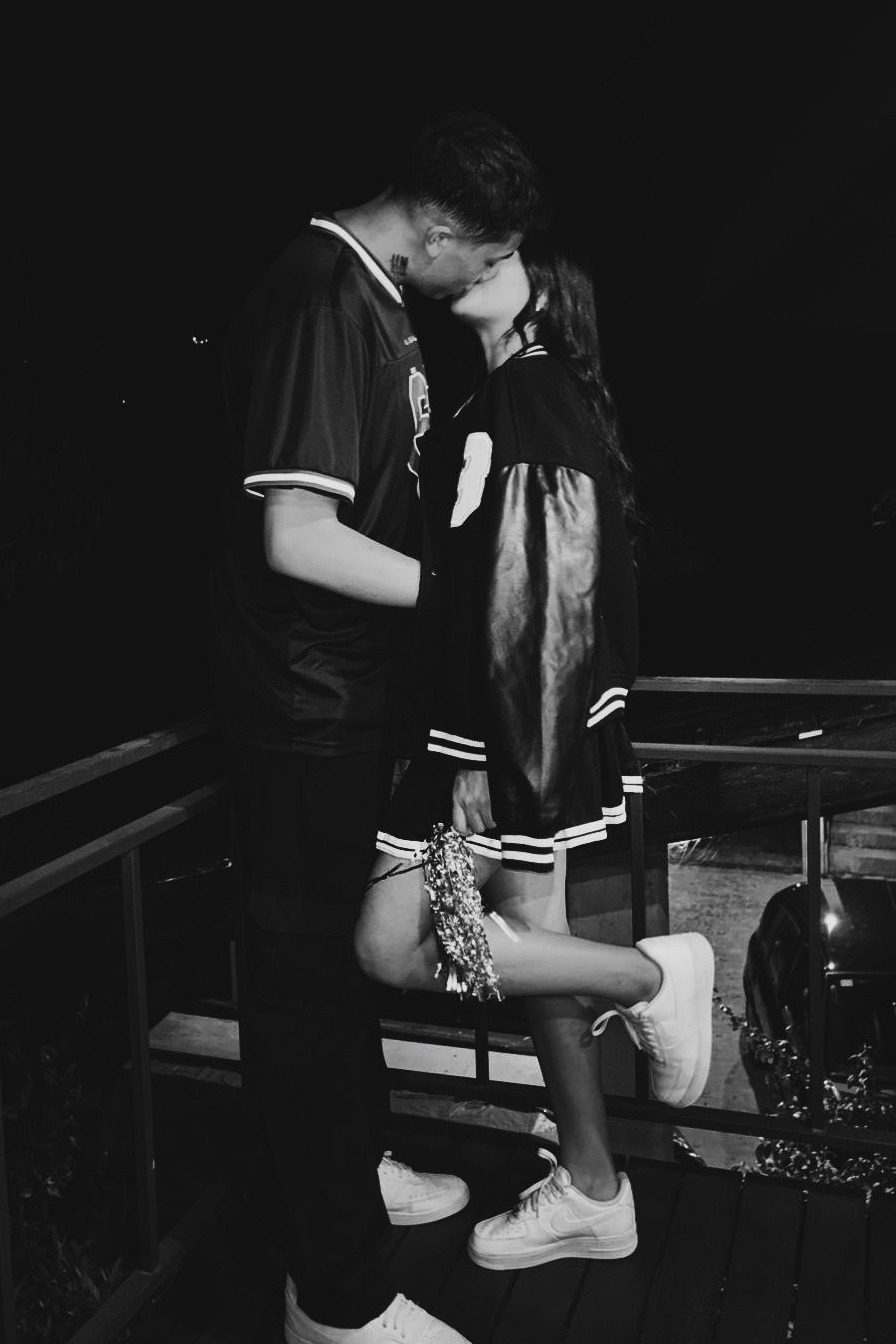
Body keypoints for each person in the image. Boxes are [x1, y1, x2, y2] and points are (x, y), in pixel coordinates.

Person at [207, 109, 548, 1344]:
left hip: (349, 707)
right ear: (442, 229)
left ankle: (349, 1175)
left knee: (341, 974)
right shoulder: (320, 299)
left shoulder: (380, 300)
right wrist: (464, 602)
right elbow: (295, 537)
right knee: (303, 991)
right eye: (489, 255)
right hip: (301, 710)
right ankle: (334, 1300)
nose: (492, 277)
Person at [354, 236, 715, 1272]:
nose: (477, 258)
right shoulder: (515, 396)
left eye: (505, 256)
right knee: (534, 951)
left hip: (489, 742)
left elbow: (538, 588)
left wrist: (493, 758)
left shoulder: (528, 392)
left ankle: (647, 975)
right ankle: (595, 1191)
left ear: (544, 297)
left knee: (389, 945)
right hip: (511, 735)